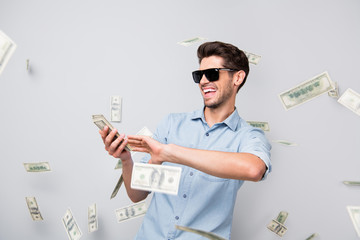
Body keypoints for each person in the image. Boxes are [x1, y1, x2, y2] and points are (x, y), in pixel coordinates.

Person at [99, 41, 271, 240]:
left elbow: (254, 169)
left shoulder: (248, 136)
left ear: (238, 77)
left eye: (213, 73)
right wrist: (127, 160)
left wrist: (169, 153)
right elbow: (137, 195)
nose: (204, 81)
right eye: (199, 75)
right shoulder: (172, 124)